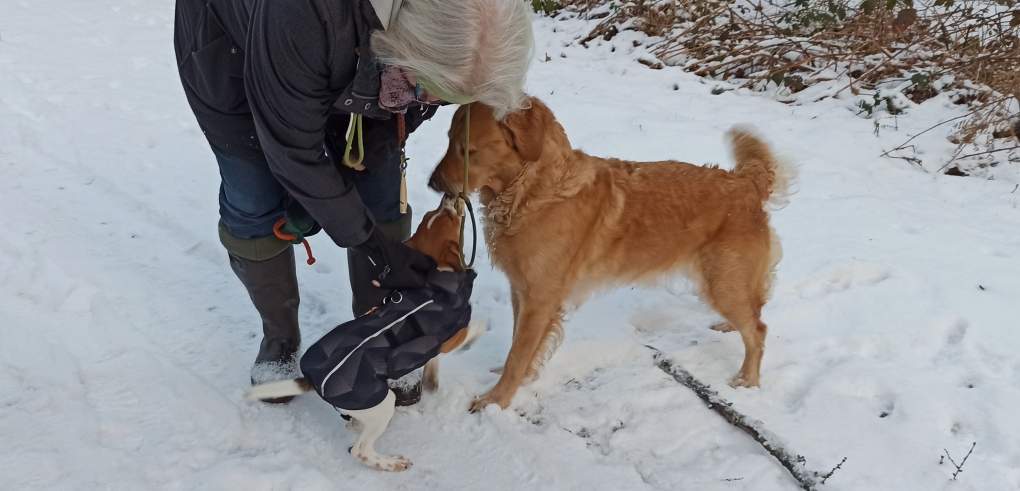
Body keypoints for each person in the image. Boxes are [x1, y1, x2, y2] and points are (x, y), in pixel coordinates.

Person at [173, 0, 533, 403]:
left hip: (370, 57)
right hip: (237, 52)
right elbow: (292, 150)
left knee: (379, 189)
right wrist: (365, 239)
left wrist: (389, 133)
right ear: (409, 38)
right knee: (254, 195)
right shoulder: (303, 13)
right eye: (426, 88)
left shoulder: (459, 35)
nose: (431, 99)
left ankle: (384, 335)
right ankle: (280, 336)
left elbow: (428, 92)